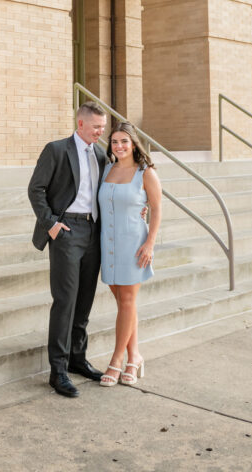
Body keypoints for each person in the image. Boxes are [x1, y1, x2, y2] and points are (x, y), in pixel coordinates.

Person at [28, 101, 108, 398]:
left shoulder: (101, 154)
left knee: (85, 300)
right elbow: (35, 189)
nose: (101, 131)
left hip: (93, 231)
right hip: (66, 231)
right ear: (81, 125)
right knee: (65, 301)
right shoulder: (57, 150)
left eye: (103, 126)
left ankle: (77, 358)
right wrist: (51, 224)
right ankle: (57, 370)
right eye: (97, 126)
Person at [98, 121, 162, 387]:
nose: (119, 146)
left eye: (124, 141)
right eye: (114, 141)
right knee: (124, 303)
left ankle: (116, 361)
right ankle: (134, 357)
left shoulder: (145, 173)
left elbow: (156, 209)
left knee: (127, 301)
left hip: (134, 243)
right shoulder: (106, 170)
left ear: (134, 143)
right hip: (108, 243)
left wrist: (150, 243)